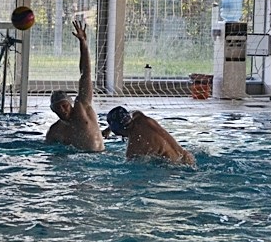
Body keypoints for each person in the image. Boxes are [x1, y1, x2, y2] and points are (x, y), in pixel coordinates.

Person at [45, 20, 104, 152]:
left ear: (70, 103)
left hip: (99, 157)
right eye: (58, 108)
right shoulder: (55, 132)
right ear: (52, 110)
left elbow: (86, 73)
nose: (62, 110)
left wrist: (83, 43)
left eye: (64, 105)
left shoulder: (82, 107)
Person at [106, 106, 195, 165]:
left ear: (119, 130)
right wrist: (108, 129)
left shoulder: (134, 147)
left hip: (174, 167)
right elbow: (131, 113)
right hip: (187, 157)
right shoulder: (140, 117)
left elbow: (129, 166)